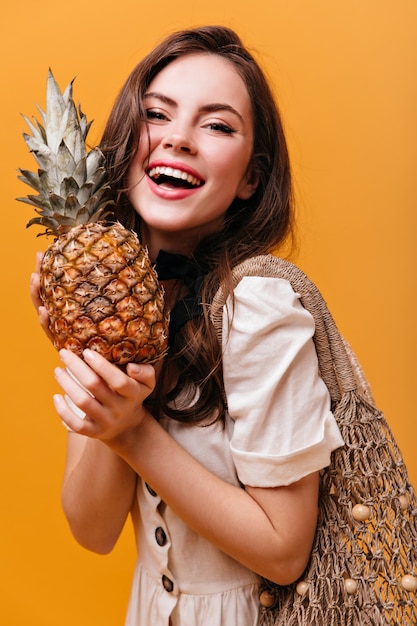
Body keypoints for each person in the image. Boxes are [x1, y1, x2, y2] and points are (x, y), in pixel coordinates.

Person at [30, 26, 344, 626]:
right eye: (157, 115)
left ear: (252, 177)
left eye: (218, 124)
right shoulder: (99, 296)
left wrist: (131, 432)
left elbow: (284, 552)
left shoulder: (256, 307)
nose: (178, 138)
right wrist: (99, 354)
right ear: (125, 145)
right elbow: (93, 531)